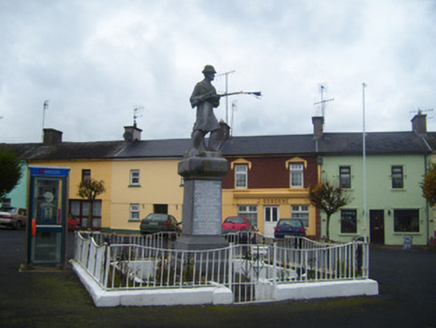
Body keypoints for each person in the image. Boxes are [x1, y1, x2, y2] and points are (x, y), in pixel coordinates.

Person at [190, 65, 221, 153]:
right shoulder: (199, 85)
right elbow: (192, 99)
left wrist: (216, 99)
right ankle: (195, 147)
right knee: (200, 129)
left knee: (215, 128)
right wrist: (204, 97)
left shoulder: (212, 88)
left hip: (210, 111)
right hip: (202, 110)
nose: (213, 75)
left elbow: (215, 105)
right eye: (212, 73)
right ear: (207, 74)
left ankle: (211, 147)